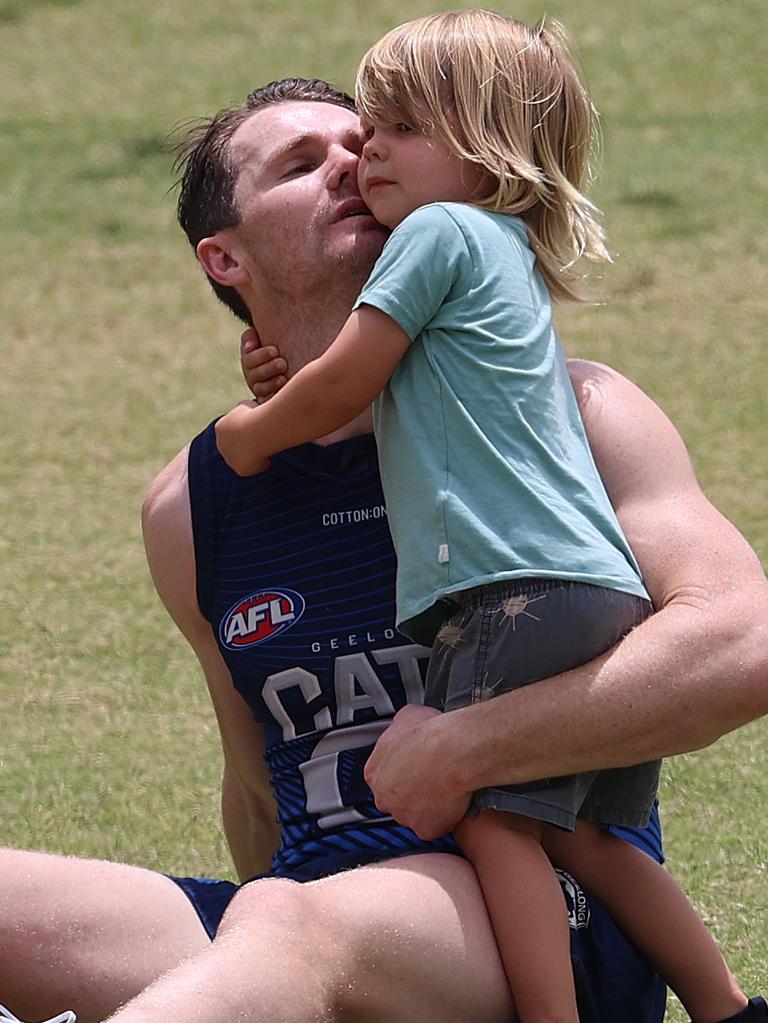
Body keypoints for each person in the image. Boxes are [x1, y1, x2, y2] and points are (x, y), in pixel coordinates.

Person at [1, 77, 766, 1023]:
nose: (350, 164)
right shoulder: (192, 505)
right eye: (300, 162)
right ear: (223, 257)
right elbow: (259, 785)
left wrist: (466, 746)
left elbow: (743, 645)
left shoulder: (575, 416)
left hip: (541, 929)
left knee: (291, 921)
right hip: (303, 926)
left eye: (362, 143)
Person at [213, 14, 762, 1023]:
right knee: (586, 835)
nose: (367, 148)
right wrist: (291, 368)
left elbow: (351, 382)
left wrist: (254, 431)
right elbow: (417, 386)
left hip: (511, 593)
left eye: (397, 127)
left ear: (483, 147)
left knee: (494, 824)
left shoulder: (435, 232)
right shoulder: (498, 251)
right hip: (593, 590)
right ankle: (726, 1007)